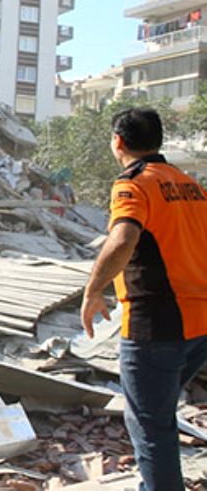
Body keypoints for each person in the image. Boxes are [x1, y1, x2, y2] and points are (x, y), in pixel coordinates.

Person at [81, 108, 207, 490]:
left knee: (150, 425)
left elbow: (122, 238)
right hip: (199, 325)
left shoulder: (132, 184)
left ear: (118, 141)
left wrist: (93, 291)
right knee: (160, 413)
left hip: (157, 325)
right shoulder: (189, 184)